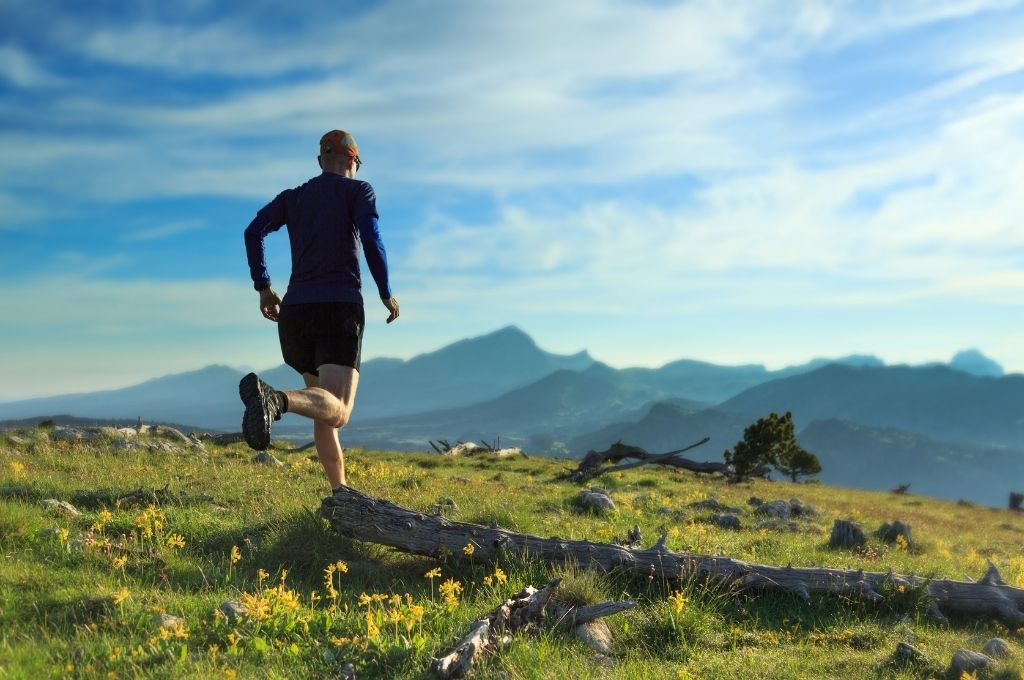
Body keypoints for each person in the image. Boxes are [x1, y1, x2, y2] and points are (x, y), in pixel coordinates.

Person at [240, 129, 399, 493]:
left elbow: (253, 232)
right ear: (351, 161)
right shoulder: (359, 190)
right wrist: (386, 292)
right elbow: (372, 239)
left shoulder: (294, 197)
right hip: (337, 308)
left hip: (294, 315)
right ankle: (276, 400)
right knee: (339, 411)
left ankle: (339, 494)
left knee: (323, 410)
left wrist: (263, 287)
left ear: (320, 161)